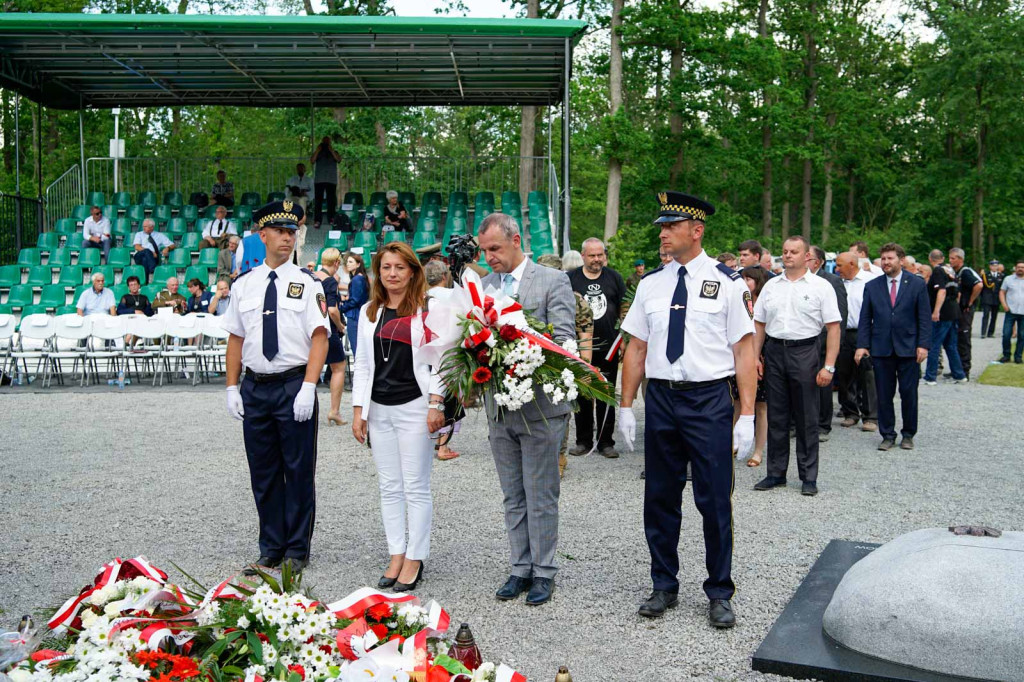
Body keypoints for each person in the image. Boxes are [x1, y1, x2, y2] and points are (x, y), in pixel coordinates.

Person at [618, 191, 756, 627]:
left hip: (708, 399)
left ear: (696, 231)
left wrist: (748, 414)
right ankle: (663, 584)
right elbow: (636, 347)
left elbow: (744, 351)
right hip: (660, 399)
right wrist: (625, 405)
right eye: (661, 226)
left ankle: (719, 590)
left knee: (714, 498)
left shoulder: (729, 282)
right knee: (659, 495)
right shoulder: (650, 284)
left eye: (670, 226)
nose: (662, 233)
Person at [222, 200, 329, 575]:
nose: (287, 237)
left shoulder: (307, 283)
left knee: (298, 469)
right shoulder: (244, 286)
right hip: (256, 387)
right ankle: (271, 546)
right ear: (262, 235)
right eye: (280, 231)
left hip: (292, 385)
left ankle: (297, 549)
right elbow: (236, 338)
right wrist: (232, 388)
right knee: (263, 471)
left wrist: (309, 386)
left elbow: (319, 337)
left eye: (292, 231)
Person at [477, 213, 575, 607]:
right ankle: (520, 567)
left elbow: (564, 340)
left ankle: (545, 571)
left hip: (541, 407)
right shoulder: (482, 287)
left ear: (516, 240)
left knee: (541, 493)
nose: (489, 258)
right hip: (499, 409)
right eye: (484, 251)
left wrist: (527, 351)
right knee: (512, 494)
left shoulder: (553, 281)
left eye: (495, 249)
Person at [351, 241, 445, 593]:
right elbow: (362, 363)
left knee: (415, 486)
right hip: (380, 408)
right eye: (386, 267)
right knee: (389, 486)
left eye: (399, 268)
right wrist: (359, 410)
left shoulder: (427, 309)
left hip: (415, 406)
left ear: (412, 271)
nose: (392, 274)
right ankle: (396, 551)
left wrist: (437, 403)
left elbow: (441, 361)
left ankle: (415, 556)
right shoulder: (368, 312)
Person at [752, 235, 841, 497]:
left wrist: (829, 366)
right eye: (785, 251)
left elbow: (834, 328)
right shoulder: (771, 286)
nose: (788, 255)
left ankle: (808, 476)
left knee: (806, 417)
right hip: (775, 350)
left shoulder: (821, 286)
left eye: (794, 252)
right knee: (776, 415)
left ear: (807, 257)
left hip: (805, 351)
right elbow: (759, 323)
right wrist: (756, 357)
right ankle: (776, 473)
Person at [855, 243, 931, 450]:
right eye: (884, 259)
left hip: (909, 348)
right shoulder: (873, 285)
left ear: (901, 260)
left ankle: (908, 434)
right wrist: (862, 345)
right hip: (881, 349)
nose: (887, 262)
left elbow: (924, 317)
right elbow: (865, 318)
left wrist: (923, 345)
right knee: (884, 394)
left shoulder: (916, 284)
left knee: (909, 393)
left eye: (891, 258)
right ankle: (887, 434)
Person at [568, 238, 626, 458]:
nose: (596, 259)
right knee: (582, 394)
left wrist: (625, 342)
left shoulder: (615, 278)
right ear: (583, 255)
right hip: (579, 348)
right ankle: (583, 440)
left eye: (600, 255)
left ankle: (605, 442)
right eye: (592, 255)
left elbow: (625, 310)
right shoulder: (570, 278)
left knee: (606, 395)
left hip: (608, 348)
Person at [833, 253, 877, 431]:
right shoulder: (838, 282)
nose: (837, 269)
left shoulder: (870, 281)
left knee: (867, 374)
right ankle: (850, 412)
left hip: (865, 332)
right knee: (844, 374)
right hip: (843, 332)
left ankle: (871, 416)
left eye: (839, 265)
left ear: (852, 264)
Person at [809, 245, 848, 442]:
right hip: (803, 344)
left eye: (808, 257)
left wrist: (833, 344)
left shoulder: (832, 281)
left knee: (823, 385)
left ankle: (823, 425)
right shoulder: (797, 281)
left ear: (817, 262)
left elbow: (839, 317)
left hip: (824, 343)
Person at [739, 265, 770, 467]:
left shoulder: (765, 302)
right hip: (740, 357)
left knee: (761, 407)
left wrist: (758, 357)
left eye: (748, 279)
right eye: (743, 278)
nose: (744, 282)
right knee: (735, 403)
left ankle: (758, 451)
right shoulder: (740, 301)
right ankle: (735, 443)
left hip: (762, 356)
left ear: (758, 281)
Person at [314, 248, 348, 427]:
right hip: (328, 330)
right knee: (339, 368)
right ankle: (334, 411)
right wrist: (341, 326)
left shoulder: (311, 276)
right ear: (336, 263)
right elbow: (333, 310)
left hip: (311, 330)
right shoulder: (330, 281)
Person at [924, 249, 966, 385]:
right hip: (953, 310)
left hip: (943, 312)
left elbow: (941, 291)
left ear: (930, 259)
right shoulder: (950, 270)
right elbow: (957, 292)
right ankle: (959, 375)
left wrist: (936, 311)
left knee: (934, 344)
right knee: (951, 345)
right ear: (942, 258)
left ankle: (930, 376)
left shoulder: (937, 271)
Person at [949, 248, 982, 379]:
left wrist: (970, 301)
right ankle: (957, 368)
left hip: (965, 310)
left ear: (960, 259)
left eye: (953, 258)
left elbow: (978, 285)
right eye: (950, 258)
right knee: (956, 339)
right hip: (958, 310)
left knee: (963, 337)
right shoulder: (955, 272)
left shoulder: (966, 272)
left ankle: (965, 369)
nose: (950, 260)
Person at [339, 253, 369, 357]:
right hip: (357, 315)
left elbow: (355, 300)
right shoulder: (359, 278)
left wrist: (341, 308)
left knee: (356, 349)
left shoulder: (357, 279)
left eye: (351, 262)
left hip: (355, 316)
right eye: (347, 262)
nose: (348, 264)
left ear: (358, 264)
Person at [310, 136, 340, 228]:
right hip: (319, 179)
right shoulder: (318, 152)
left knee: (331, 200)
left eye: (328, 141)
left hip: (331, 179)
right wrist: (318, 150)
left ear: (330, 142)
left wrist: (331, 150)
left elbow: (338, 159)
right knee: (318, 200)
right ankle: (317, 220)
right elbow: (312, 160)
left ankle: (331, 218)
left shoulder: (334, 152)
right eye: (324, 141)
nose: (326, 143)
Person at [999, 259, 1024, 364]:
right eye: (1019, 267)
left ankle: (1018, 356)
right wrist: (1004, 305)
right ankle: (1006, 355)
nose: (1020, 269)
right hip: (1011, 311)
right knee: (1006, 334)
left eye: (1022, 267)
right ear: (1015, 268)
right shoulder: (1008, 279)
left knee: (1022, 335)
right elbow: (1002, 292)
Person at [979, 260, 1004, 339]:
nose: (994, 267)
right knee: (986, 315)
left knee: (994, 316)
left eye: (996, 266)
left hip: (996, 298)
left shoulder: (1001, 276)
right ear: (990, 266)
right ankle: (983, 332)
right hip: (987, 298)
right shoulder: (985, 275)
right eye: (993, 265)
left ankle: (990, 332)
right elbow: (981, 287)